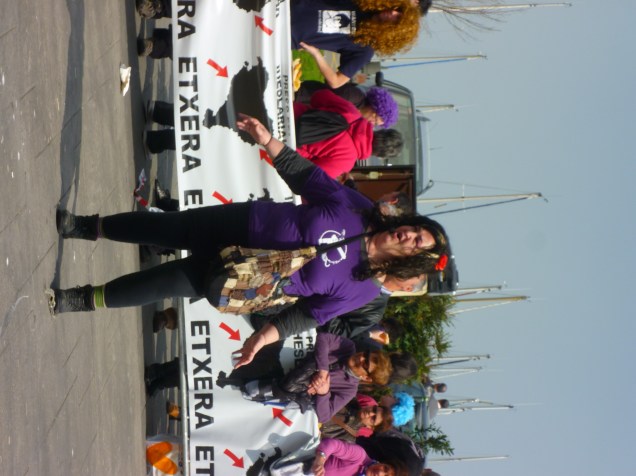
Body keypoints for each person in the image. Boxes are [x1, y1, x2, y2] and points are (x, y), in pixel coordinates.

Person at [49, 114, 449, 367]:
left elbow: (306, 315)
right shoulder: (360, 209)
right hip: (241, 223)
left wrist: (261, 338)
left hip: (245, 276)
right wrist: (268, 140)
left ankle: (81, 299)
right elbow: (309, 178)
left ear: (410, 262)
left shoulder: (364, 290)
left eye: (417, 244)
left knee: (162, 284)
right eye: (416, 230)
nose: (410, 236)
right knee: (165, 227)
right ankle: (85, 226)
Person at [135, 0, 429, 88]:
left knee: (219, 42)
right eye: (397, 8)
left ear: (395, 31)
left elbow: (338, 81)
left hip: (280, 36)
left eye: (397, 17)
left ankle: (160, 45)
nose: (392, 12)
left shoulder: (364, 48)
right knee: (218, 6)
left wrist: (316, 54)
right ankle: (159, 7)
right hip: (282, 4)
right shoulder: (363, 2)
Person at [143, 88, 403, 180]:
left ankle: (160, 111)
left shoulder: (352, 113)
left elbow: (320, 96)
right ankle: (157, 141)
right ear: (379, 154)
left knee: (217, 116)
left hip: (281, 115)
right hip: (275, 146)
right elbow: (310, 173)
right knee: (215, 144)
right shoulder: (347, 160)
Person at [240, 333, 392, 422]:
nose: (361, 358)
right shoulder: (348, 347)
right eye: (366, 354)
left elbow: (324, 416)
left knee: (246, 392)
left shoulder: (350, 389)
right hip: (281, 360)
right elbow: (323, 338)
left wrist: (323, 392)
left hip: (281, 388)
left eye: (365, 364)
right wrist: (323, 370)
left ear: (366, 378)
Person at [311, 438, 406, 476]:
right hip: (306, 461)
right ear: (383, 462)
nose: (380, 473)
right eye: (385, 468)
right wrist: (320, 461)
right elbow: (333, 444)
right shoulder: (360, 456)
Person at [321, 394, 393, 442]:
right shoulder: (349, 396)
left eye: (373, 418)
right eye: (374, 409)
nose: (370, 413)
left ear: (371, 427)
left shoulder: (348, 438)